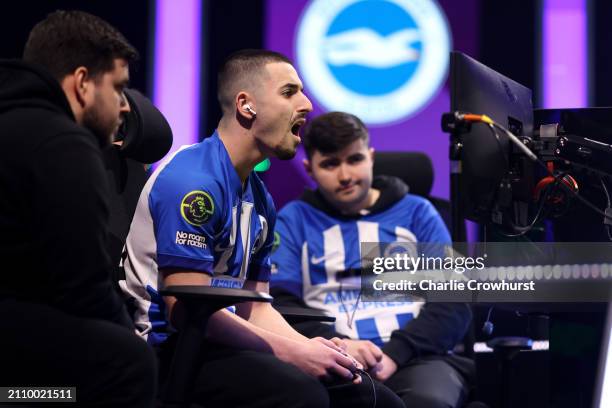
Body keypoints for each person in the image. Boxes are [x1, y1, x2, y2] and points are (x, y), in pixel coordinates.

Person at [121, 49, 404, 408]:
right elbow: (185, 309)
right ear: (246, 105)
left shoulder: (259, 197)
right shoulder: (193, 181)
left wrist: (310, 348)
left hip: (216, 343)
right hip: (168, 350)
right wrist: (292, 353)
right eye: (289, 92)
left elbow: (255, 305)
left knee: (372, 397)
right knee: (303, 395)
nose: (306, 103)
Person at [0, 11, 156, 407]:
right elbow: (83, 289)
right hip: (18, 378)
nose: (125, 107)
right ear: (83, 82)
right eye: (119, 88)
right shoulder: (63, 143)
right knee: (129, 363)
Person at [270, 111, 474, 408]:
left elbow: (454, 302)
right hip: (329, 358)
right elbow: (280, 304)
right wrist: (338, 346)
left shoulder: (418, 213)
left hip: (416, 360)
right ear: (309, 169)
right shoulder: (293, 219)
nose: (345, 176)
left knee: (427, 401)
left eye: (354, 160)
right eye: (330, 164)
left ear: (371, 156)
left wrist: (394, 354)